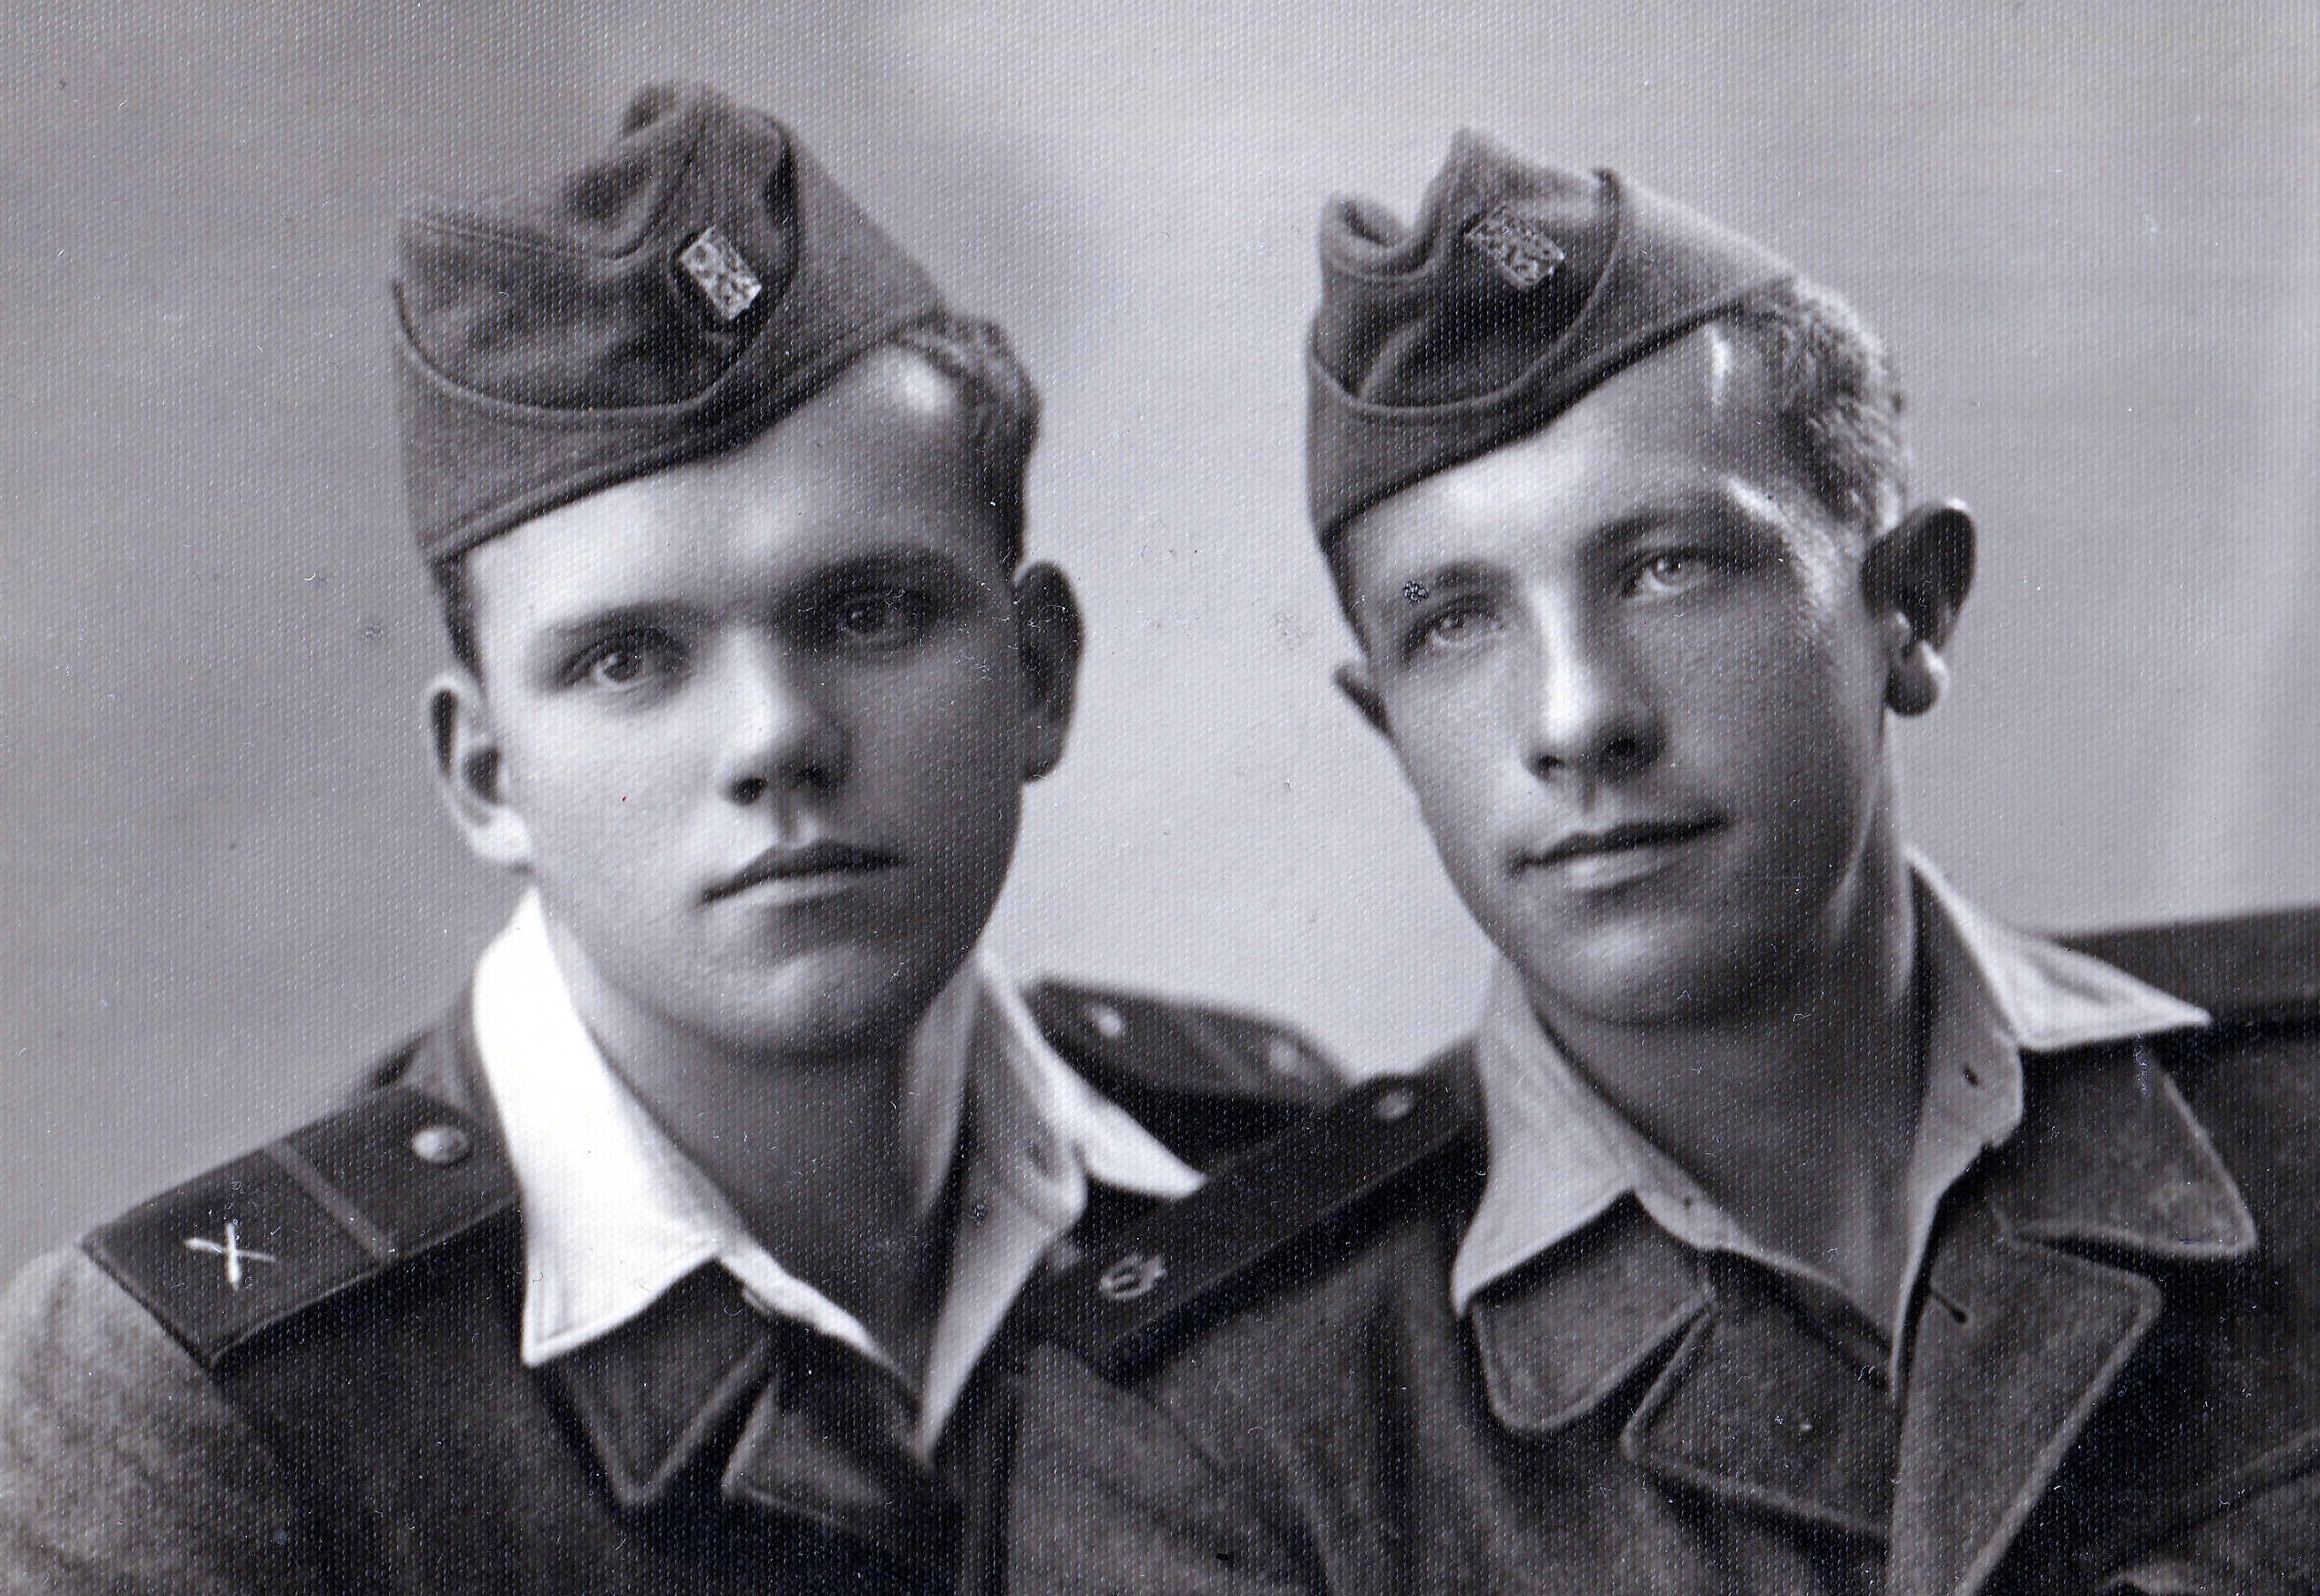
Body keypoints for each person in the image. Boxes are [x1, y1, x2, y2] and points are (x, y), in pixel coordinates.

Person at [1005, 130, 2320, 1593]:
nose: (1576, 718)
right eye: (1454, 624)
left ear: (1912, 608)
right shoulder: (1214, 1424)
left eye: (1668, 567)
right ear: (1386, 726)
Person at [0, 83, 1339, 1596]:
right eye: (627, 660)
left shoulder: (1270, 1187)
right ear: (486, 775)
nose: (774, 739)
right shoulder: (212, 1409)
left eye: (870, 613)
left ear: (1036, 676)